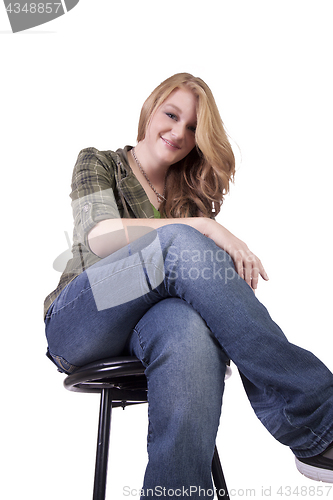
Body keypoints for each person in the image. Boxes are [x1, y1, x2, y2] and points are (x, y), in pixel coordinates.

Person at [44, 73, 333, 497]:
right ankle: (318, 419)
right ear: (151, 108)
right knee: (177, 241)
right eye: (172, 115)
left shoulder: (187, 197)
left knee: (188, 331)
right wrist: (202, 228)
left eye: (194, 127)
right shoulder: (100, 161)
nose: (179, 132)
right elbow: (99, 237)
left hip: (149, 330)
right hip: (84, 318)